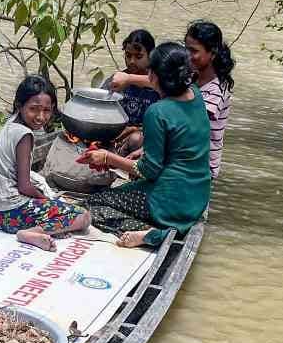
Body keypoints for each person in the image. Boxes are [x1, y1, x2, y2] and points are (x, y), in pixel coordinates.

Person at [80, 42, 211, 248]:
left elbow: (148, 170)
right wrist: (131, 79)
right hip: (197, 197)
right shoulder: (196, 94)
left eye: (150, 72)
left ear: (155, 76)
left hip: (168, 200)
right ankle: (160, 228)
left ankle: (155, 234)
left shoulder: (158, 112)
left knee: (91, 206)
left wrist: (107, 157)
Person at [0, 75, 91, 250]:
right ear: (19, 105)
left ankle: (45, 228)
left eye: (47, 110)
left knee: (57, 208)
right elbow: (25, 187)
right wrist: (44, 198)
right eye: (34, 109)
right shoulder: (24, 135)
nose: (40, 116)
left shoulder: (10, 125)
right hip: (10, 213)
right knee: (83, 216)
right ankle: (31, 232)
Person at [185, 20, 236, 179]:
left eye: (193, 51)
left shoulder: (217, 88)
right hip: (187, 157)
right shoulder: (192, 78)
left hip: (201, 167)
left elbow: (192, 119)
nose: (188, 56)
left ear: (212, 53)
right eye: (186, 49)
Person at [104, 29, 161, 150]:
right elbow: (101, 107)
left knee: (136, 139)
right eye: (128, 56)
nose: (131, 61)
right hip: (118, 134)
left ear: (151, 56)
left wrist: (136, 129)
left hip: (148, 137)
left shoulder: (161, 83)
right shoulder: (116, 80)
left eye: (138, 56)